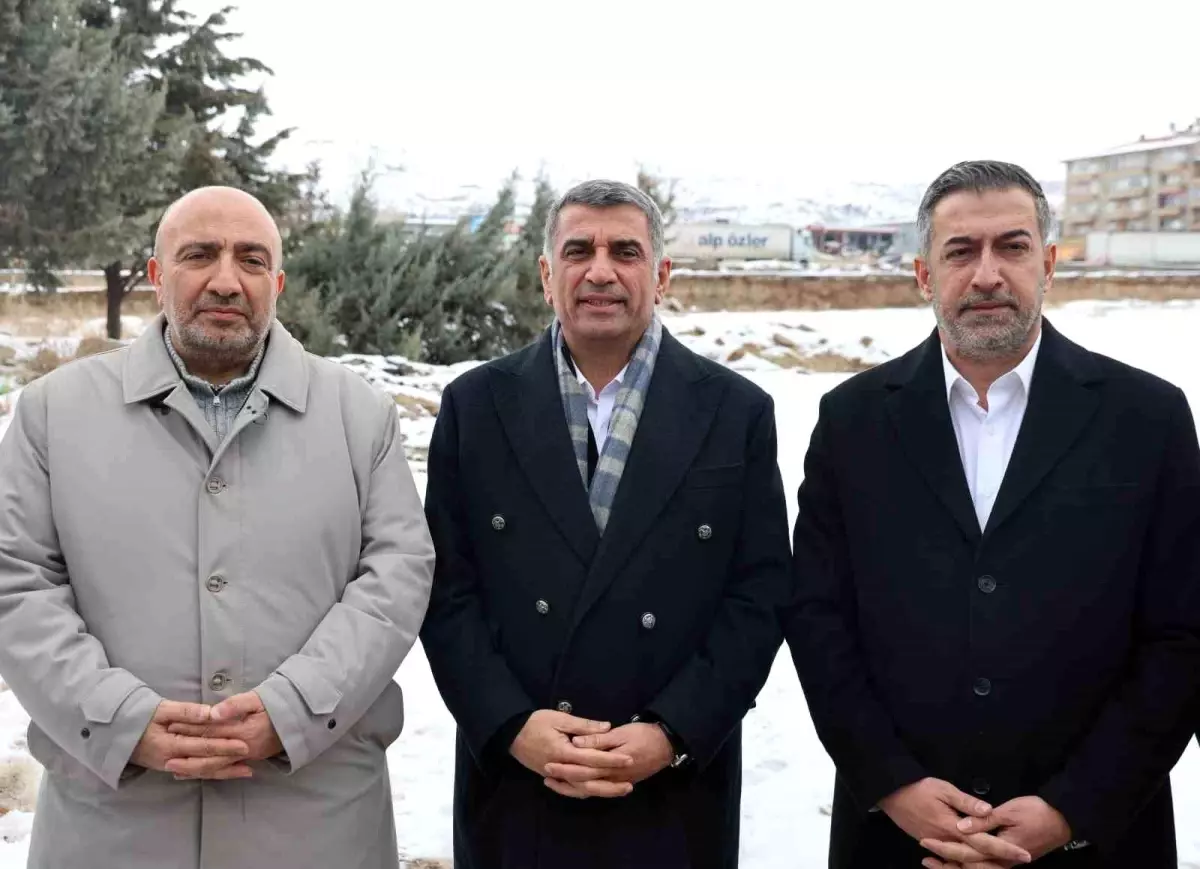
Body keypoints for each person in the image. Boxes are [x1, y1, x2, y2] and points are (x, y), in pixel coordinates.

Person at [0, 186, 435, 869]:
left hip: (316, 827)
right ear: (156, 275)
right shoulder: (53, 413)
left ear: (277, 283)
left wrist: (296, 708)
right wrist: (117, 717)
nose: (226, 280)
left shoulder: (360, 416)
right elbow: (17, 583)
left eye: (251, 260)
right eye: (199, 255)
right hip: (112, 828)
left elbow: (396, 578)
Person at [784, 160, 1200, 869]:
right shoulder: (852, 421)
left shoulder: (1147, 419)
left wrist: (1072, 806)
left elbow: (1182, 632)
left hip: (1099, 837)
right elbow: (818, 617)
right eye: (960, 251)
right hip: (898, 838)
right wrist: (894, 783)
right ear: (923, 274)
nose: (987, 275)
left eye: (1011, 247)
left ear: (1048, 263)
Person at [419, 179, 792, 869]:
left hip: (674, 797)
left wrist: (673, 732)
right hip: (516, 790)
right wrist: (511, 724)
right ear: (546, 275)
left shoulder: (736, 412)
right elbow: (444, 591)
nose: (600, 271)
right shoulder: (475, 407)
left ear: (661, 273)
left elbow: (760, 595)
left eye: (625, 251)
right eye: (578, 251)